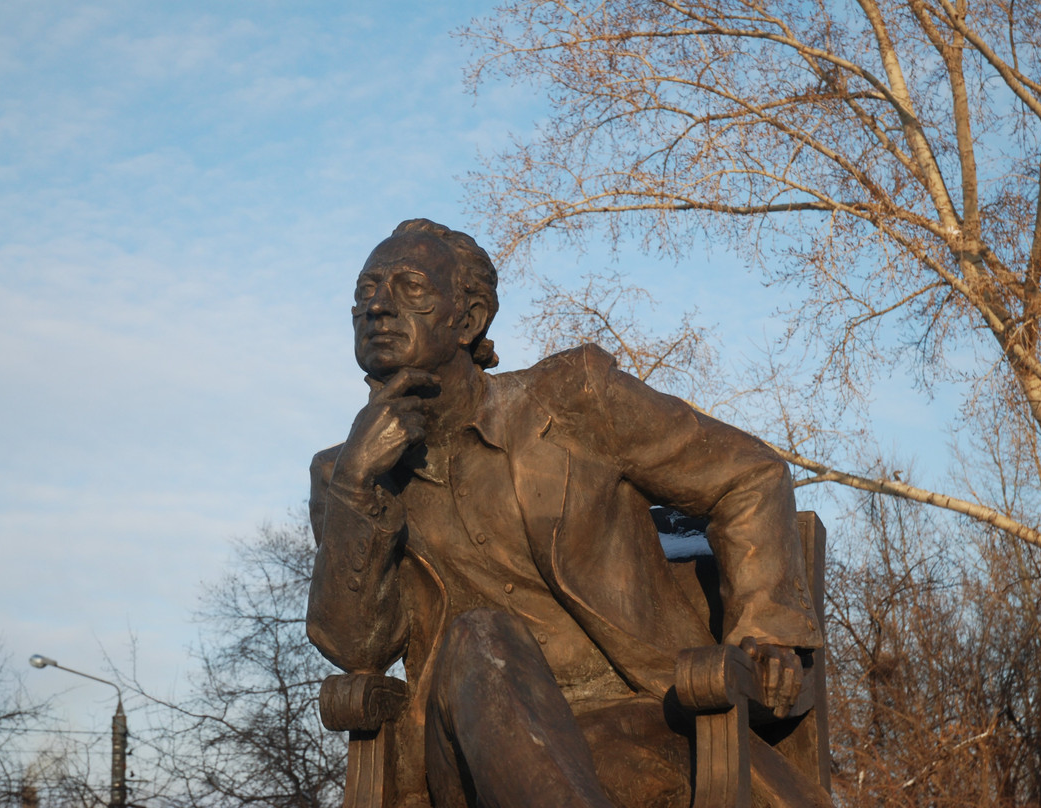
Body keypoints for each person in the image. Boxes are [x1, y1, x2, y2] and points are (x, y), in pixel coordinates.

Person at [306, 219, 823, 808]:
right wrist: (355, 486)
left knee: (484, 633)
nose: (377, 307)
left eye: (411, 288)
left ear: (469, 318)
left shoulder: (574, 400)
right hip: (464, 758)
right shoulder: (344, 475)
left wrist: (764, 633)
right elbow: (358, 651)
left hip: (643, 726)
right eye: (366, 290)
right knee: (481, 634)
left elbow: (747, 474)